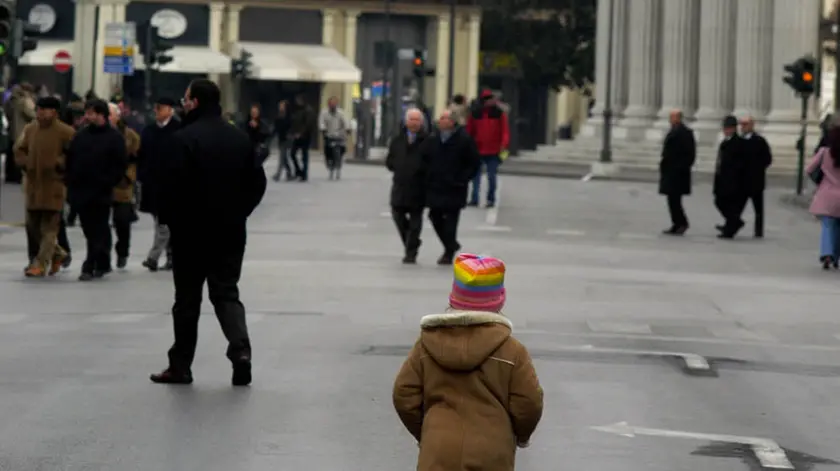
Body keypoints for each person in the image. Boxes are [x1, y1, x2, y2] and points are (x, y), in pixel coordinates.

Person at [151, 79, 266, 386]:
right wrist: (239, 212)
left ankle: (181, 365)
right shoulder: (239, 139)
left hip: (191, 233)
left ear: (196, 102)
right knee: (226, 292)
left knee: (187, 300)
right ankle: (240, 349)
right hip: (229, 231)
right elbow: (257, 183)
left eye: (186, 99)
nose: (183, 103)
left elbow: (170, 187)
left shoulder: (184, 139)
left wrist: (172, 221)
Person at [393, 253, 543, 471]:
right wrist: (521, 434)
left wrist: (425, 430)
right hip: (492, 450)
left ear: (453, 297)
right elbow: (529, 402)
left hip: (438, 447)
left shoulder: (426, 345)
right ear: (499, 300)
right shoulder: (512, 350)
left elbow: (404, 393)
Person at [66, 99, 128, 281]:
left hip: (101, 191)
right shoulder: (81, 136)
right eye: (87, 113)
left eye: (92, 113)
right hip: (81, 190)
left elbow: (120, 164)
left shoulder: (114, 137)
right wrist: (71, 182)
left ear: (102, 115)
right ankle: (102, 261)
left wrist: (109, 180)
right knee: (88, 228)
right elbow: (71, 159)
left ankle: (89, 264)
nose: (88, 116)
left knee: (98, 228)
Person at [13, 96, 75, 277]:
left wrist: (60, 163)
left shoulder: (66, 132)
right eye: (38, 109)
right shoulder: (31, 129)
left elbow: (74, 154)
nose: (39, 112)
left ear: (54, 112)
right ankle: (58, 254)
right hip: (33, 184)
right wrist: (25, 162)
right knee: (32, 226)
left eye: (43, 109)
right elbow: (19, 149)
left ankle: (40, 264)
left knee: (49, 228)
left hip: (54, 185)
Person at [421, 110, 480, 265]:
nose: (441, 121)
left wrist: (462, 178)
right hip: (436, 185)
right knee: (434, 216)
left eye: (445, 118)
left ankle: (448, 252)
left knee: (451, 221)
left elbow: (474, 163)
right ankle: (451, 244)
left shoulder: (464, 139)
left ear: (453, 121)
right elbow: (424, 158)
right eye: (440, 118)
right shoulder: (433, 138)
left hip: (455, 187)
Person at [138, 97, 179, 271]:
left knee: (164, 223)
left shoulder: (179, 130)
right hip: (153, 184)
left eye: (160, 108)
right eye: (156, 108)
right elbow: (142, 155)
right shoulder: (149, 131)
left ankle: (154, 257)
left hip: (173, 185)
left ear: (170, 110)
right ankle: (171, 256)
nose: (157, 112)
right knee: (162, 222)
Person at [386, 108, 428, 264]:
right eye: (411, 119)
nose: (414, 123)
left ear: (421, 123)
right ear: (406, 121)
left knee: (416, 221)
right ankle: (412, 242)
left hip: (418, 187)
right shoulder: (398, 140)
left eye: (417, 120)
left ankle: (411, 252)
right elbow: (390, 160)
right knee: (397, 215)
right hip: (400, 185)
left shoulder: (427, 140)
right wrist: (397, 166)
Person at [108, 102, 140, 269]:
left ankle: (122, 251)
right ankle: (101, 255)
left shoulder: (129, 135)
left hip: (122, 183)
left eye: (110, 114)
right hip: (102, 182)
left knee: (122, 220)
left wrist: (129, 176)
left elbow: (136, 157)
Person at [466, 89, 509, 208]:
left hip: (493, 149)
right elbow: (469, 131)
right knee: (476, 177)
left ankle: (490, 199)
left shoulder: (499, 114)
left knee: (491, 176)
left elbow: (504, 131)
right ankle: (475, 198)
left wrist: (503, 145)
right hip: (478, 148)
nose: (492, 101)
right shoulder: (475, 114)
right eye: (490, 99)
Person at [806, 118, 840, 270]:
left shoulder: (824, 152)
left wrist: (820, 179)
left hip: (827, 194)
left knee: (827, 225)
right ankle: (836, 256)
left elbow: (809, 169)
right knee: (838, 227)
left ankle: (826, 253)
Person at [658, 110, 696, 235]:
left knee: (675, 200)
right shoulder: (674, 130)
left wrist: (681, 167)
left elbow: (690, 154)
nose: (670, 119)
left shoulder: (684, 133)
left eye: (672, 117)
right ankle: (677, 223)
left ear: (678, 118)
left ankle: (682, 223)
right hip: (670, 171)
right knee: (672, 200)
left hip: (677, 173)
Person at [714, 115, 748, 239]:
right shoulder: (725, 142)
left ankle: (731, 227)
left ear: (734, 129)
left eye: (727, 128)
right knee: (720, 202)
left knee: (728, 204)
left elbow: (740, 164)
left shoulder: (739, 143)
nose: (725, 130)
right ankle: (733, 223)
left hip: (733, 181)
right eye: (724, 128)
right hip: (722, 179)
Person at [739, 116, 773, 238]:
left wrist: (758, 168)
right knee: (737, 206)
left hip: (756, 180)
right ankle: (732, 226)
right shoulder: (738, 141)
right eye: (741, 124)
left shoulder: (759, 141)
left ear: (752, 125)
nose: (743, 127)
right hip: (741, 180)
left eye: (745, 124)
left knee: (758, 208)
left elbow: (768, 159)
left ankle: (758, 231)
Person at [318, 96, 350, 180]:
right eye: (331, 104)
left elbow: (346, 121)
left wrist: (347, 129)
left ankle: (338, 167)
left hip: (339, 136)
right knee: (327, 152)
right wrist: (323, 129)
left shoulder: (341, 113)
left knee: (341, 150)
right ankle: (330, 165)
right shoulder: (324, 113)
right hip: (329, 135)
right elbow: (321, 122)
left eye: (334, 104)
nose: (333, 106)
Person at [290, 94, 316, 181]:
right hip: (297, 136)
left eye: (299, 100)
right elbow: (295, 123)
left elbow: (308, 124)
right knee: (292, 154)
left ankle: (304, 174)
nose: (297, 102)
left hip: (305, 136)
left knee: (304, 155)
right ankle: (299, 171)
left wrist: (301, 133)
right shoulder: (298, 110)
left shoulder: (308, 110)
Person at [272, 100, 295, 181]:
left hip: (287, 139)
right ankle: (290, 174)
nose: (280, 107)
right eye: (280, 106)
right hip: (281, 138)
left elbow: (291, 127)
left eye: (282, 106)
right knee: (284, 158)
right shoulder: (278, 116)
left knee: (282, 157)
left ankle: (278, 174)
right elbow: (276, 127)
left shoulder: (289, 116)